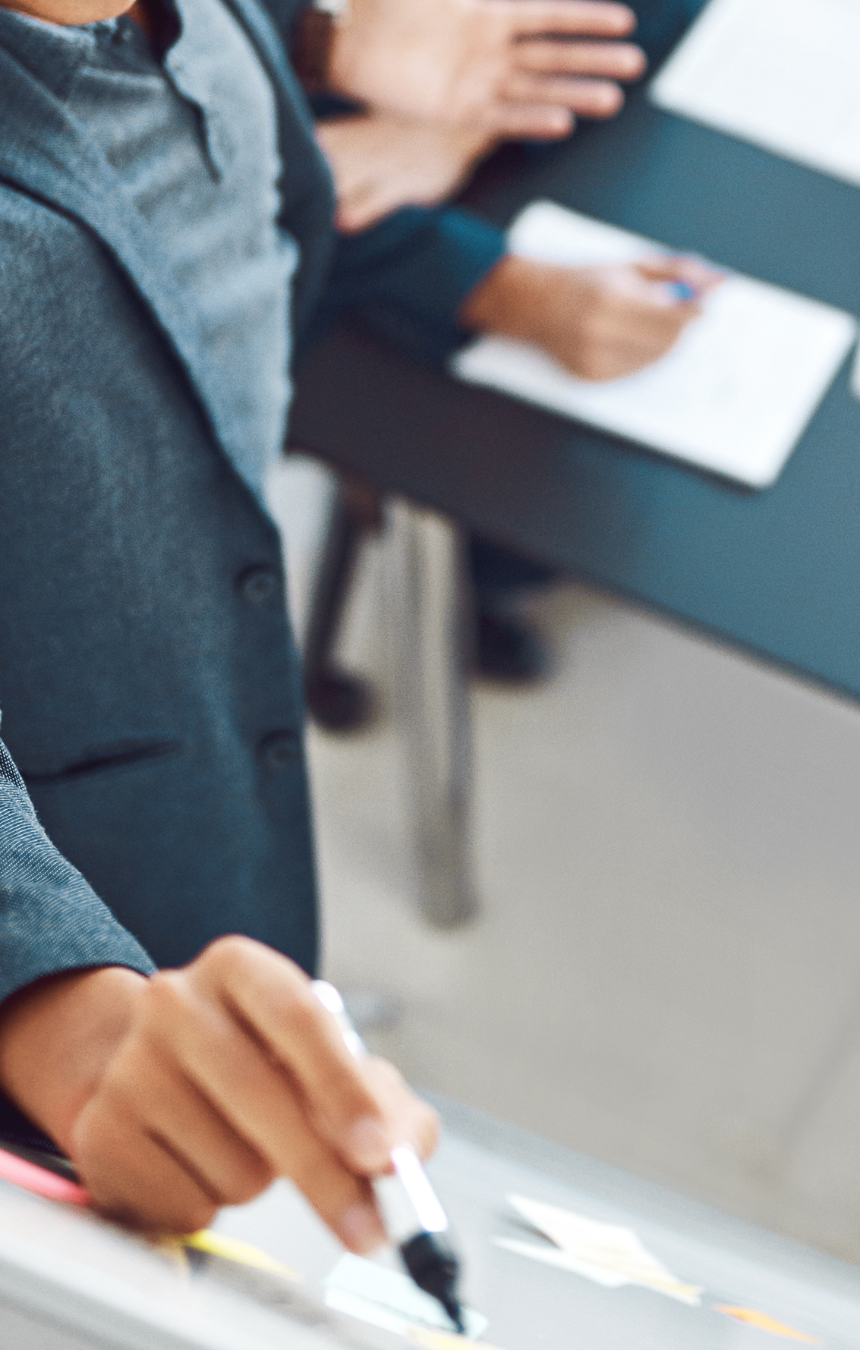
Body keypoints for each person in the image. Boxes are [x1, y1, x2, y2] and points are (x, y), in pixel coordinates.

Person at [0, 0, 716, 1241]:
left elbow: (197, 191)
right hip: (81, 929)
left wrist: (483, 279)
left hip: (210, 771)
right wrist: (54, 1003)